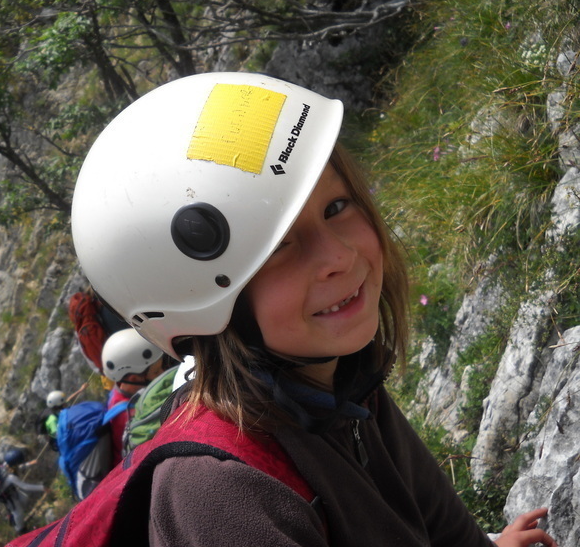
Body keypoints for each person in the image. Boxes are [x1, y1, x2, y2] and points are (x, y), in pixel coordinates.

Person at [68, 72, 557, 546]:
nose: (339, 256)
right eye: (277, 246)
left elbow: (442, 527)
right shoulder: (219, 494)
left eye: (336, 207)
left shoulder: (342, 385)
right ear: (198, 308)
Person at [100, 327, 170, 465]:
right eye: (156, 372)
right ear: (134, 379)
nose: (163, 373)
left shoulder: (117, 394)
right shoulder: (131, 415)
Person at [0, 448, 45, 536]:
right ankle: (20, 531)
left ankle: (17, 519)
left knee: (23, 498)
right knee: (18, 512)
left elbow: (17, 467)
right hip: (7, 497)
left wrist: (29, 464)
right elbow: (25, 486)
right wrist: (42, 488)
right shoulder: (11, 477)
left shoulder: (5, 465)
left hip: (10, 492)